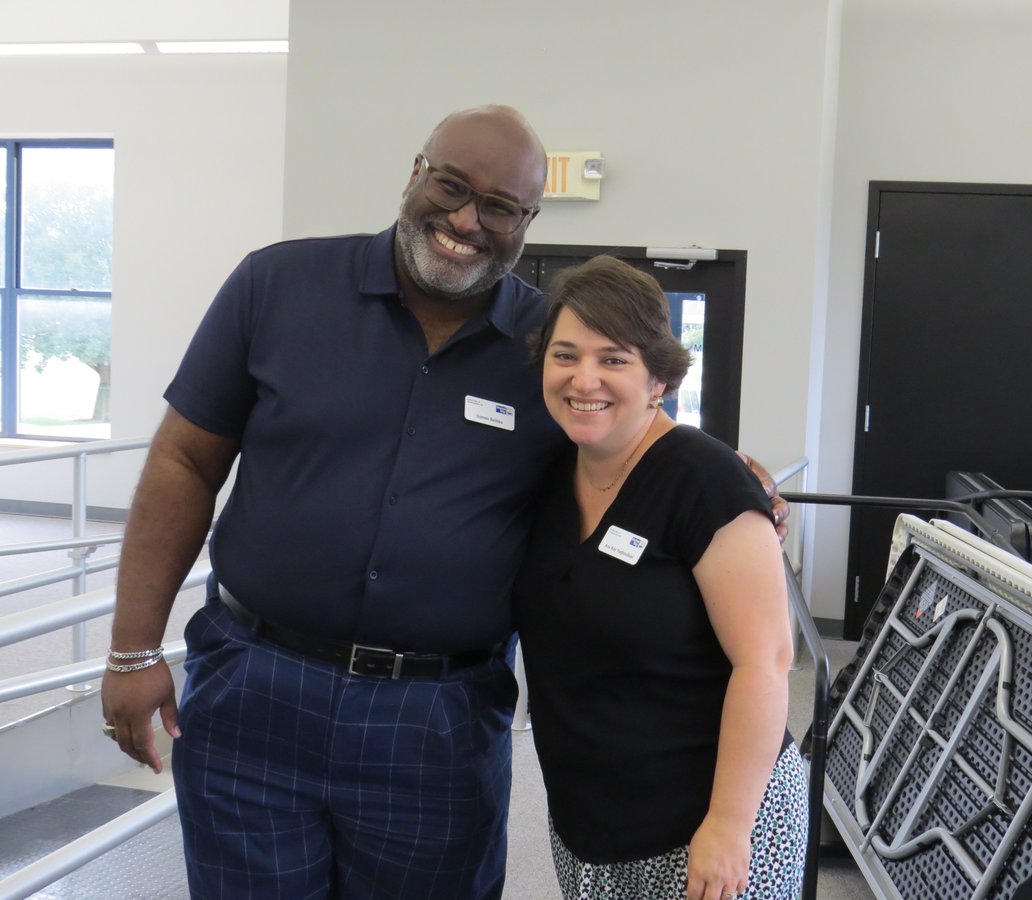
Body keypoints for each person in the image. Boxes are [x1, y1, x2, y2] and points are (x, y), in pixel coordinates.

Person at [100, 105, 788, 898]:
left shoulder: (546, 345)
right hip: (255, 686)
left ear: (527, 222)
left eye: (499, 206)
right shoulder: (278, 285)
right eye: (452, 186)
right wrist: (133, 648)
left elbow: (627, 429)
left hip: (436, 719)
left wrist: (734, 480)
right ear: (415, 174)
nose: (466, 220)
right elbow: (184, 459)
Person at [513, 256, 806, 900]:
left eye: (614, 359)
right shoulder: (549, 471)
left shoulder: (707, 480)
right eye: (565, 355)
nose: (584, 378)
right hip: (589, 818)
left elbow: (765, 662)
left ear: (659, 379)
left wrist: (729, 826)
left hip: (706, 822)